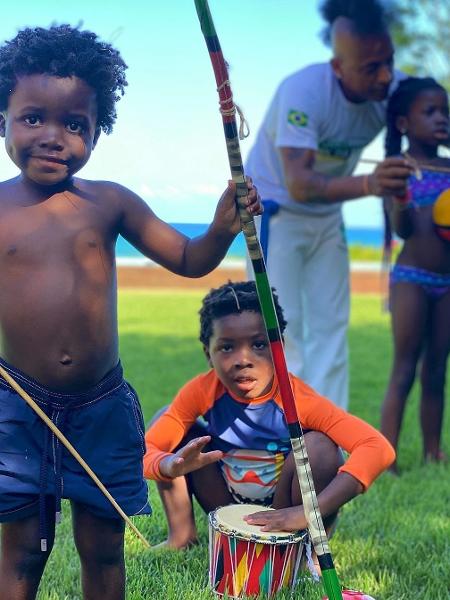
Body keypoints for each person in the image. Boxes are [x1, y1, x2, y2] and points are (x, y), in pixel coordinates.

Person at [0, 25, 261, 600]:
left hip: (101, 406)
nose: (53, 137)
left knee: (103, 547)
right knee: (20, 553)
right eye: (32, 118)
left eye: (75, 125)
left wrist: (222, 225)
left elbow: (191, 260)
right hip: (19, 408)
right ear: (3, 119)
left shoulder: (110, 202)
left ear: (98, 132)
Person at [245, 0, 414, 410]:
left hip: (328, 217)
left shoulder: (393, 90)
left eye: (388, 62)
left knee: (332, 329)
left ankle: (329, 443)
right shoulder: (304, 92)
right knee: (284, 330)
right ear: (338, 67)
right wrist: (372, 183)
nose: (385, 76)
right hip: (275, 213)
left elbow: (433, 110)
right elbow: (300, 184)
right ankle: (284, 437)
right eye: (371, 68)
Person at [144, 281, 395, 548]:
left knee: (321, 447)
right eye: (227, 348)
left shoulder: (299, 400)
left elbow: (378, 448)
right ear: (209, 354)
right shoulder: (201, 391)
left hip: (284, 506)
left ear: (279, 348)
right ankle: (181, 537)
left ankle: (306, 551)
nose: (243, 359)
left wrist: (308, 512)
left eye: (259, 345)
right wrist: (169, 465)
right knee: (171, 422)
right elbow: (147, 449)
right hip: (224, 502)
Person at [380, 77, 450, 473]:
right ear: (404, 122)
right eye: (431, 111)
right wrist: (401, 198)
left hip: (448, 282)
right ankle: (387, 454)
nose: (441, 118)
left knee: (438, 368)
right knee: (404, 367)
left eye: (445, 111)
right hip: (412, 279)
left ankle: (432, 451)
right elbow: (403, 228)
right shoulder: (401, 169)